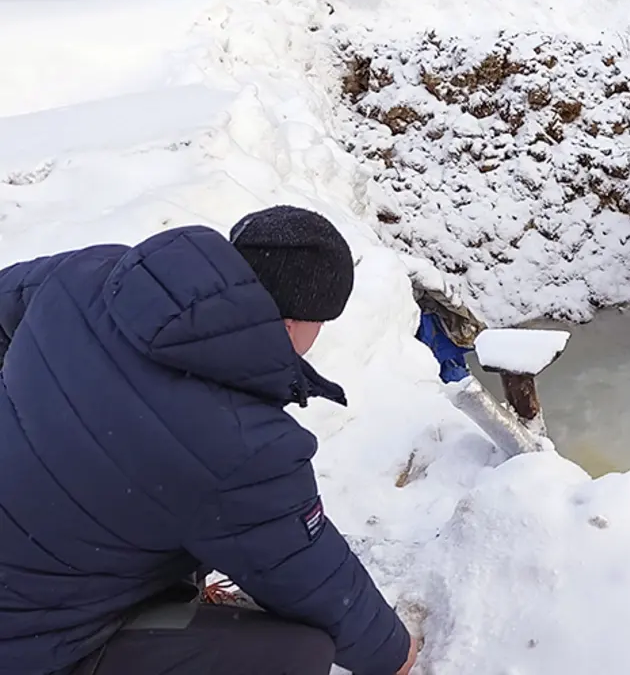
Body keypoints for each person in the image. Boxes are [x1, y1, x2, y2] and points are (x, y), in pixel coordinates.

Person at [0, 205, 418, 675]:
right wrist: (396, 655)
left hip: (34, 561)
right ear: (291, 325)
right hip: (32, 645)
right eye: (320, 322)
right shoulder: (242, 446)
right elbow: (314, 580)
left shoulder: (87, 277)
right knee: (300, 654)